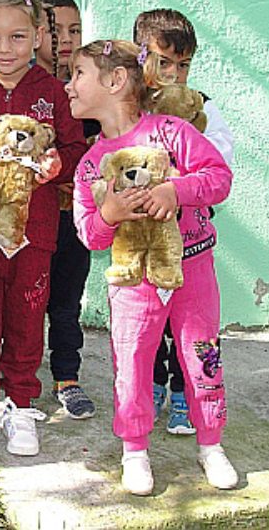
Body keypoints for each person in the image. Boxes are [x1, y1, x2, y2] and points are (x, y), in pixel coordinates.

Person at [67, 39, 238, 495]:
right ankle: (135, 450)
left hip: (193, 268)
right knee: (133, 363)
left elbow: (218, 177)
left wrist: (174, 191)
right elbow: (88, 232)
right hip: (132, 282)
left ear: (115, 81)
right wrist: (110, 215)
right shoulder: (90, 167)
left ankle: (211, 444)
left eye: (77, 74)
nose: (69, 85)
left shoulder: (172, 133)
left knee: (203, 357)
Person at [0, 0, 87, 458]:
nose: (4, 48)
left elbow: (74, 149)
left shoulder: (54, 91)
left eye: (16, 37)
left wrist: (57, 166)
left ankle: (23, 404)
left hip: (37, 234)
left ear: (36, 37)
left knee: (29, 319)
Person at [133, 9, 235, 435]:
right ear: (140, 56)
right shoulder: (130, 106)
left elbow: (221, 161)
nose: (174, 74)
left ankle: (186, 392)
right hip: (140, 238)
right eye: (163, 61)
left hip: (191, 239)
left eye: (184, 65)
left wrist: (182, 178)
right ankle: (154, 384)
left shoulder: (201, 108)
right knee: (149, 319)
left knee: (192, 326)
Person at [35, 0, 96, 420]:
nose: (66, 39)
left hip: (73, 212)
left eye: (75, 29)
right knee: (23, 298)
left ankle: (67, 375)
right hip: (29, 212)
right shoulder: (22, 88)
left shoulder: (87, 89)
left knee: (66, 299)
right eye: (55, 30)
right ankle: (13, 374)